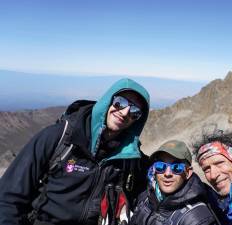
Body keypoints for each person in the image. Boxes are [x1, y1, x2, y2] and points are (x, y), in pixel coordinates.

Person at [0, 78, 151, 225]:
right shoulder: (59, 138)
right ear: (108, 100)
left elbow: (159, 179)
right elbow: (8, 197)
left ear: (137, 120)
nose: (125, 112)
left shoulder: (130, 159)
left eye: (135, 111)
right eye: (121, 102)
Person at [130, 140, 218, 225]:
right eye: (161, 166)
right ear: (154, 169)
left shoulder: (196, 218)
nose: (167, 174)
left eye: (177, 168)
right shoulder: (146, 195)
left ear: (187, 173)